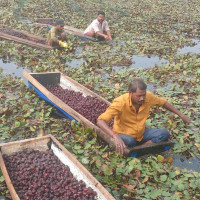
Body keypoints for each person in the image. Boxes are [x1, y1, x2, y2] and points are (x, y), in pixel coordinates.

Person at [97, 78, 190, 154]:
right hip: (125, 135)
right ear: (130, 93)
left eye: (143, 95)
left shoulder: (148, 97)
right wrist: (115, 136)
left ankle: (141, 147)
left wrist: (181, 115)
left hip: (141, 133)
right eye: (138, 96)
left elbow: (163, 103)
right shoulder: (120, 102)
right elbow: (100, 121)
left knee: (164, 134)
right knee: (130, 141)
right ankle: (140, 148)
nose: (142, 98)